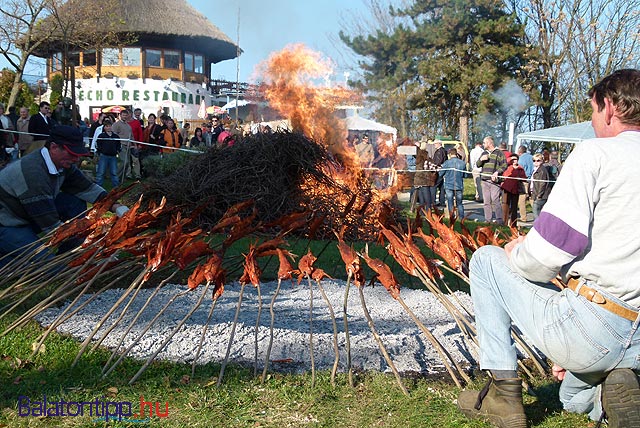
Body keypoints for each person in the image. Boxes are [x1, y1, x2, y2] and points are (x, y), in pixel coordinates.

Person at [457, 69, 640, 428]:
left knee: (486, 260)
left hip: (597, 324)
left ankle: (503, 395)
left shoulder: (596, 154)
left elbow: (547, 255)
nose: (592, 121)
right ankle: (616, 385)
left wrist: (516, 252)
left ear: (610, 108)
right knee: (571, 398)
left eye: (592, 111)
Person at [0, 126, 128, 267]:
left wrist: (117, 206)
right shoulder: (33, 174)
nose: (76, 159)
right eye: (72, 154)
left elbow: (87, 188)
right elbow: (52, 227)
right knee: (49, 268)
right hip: (8, 223)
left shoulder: (62, 164)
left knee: (74, 201)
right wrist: (94, 245)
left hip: (27, 214)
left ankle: (72, 251)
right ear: (54, 147)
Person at [476, 136, 507, 223]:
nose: (483, 144)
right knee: (486, 201)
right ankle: (488, 220)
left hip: (494, 181)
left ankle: (499, 220)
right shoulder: (484, 153)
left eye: (484, 143)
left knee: (495, 200)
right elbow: (478, 164)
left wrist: (497, 172)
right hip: (484, 180)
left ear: (489, 143)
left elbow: (504, 165)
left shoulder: (499, 153)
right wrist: (481, 159)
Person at [500, 154, 527, 227]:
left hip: (516, 189)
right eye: (513, 159)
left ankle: (513, 224)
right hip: (506, 188)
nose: (514, 161)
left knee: (514, 208)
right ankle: (504, 223)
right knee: (505, 206)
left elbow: (524, 178)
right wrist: (510, 159)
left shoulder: (520, 169)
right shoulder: (507, 167)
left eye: (516, 159)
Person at [439, 148, 466, 219]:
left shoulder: (446, 163)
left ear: (450, 154)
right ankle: (461, 217)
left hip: (449, 185)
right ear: (456, 154)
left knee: (450, 202)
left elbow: (440, 174)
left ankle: (452, 216)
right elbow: (465, 175)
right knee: (459, 203)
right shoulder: (462, 163)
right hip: (459, 185)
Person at [94, 120, 121, 188]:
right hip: (103, 156)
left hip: (113, 157)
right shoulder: (101, 136)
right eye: (107, 126)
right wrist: (100, 151)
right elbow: (98, 144)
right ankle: (98, 188)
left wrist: (117, 150)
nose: (109, 127)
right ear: (104, 127)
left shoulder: (116, 136)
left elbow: (118, 145)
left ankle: (116, 188)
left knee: (114, 173)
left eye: (110, 126)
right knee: (101, 172)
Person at [414, 139, 438, 211]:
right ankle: (428, 213)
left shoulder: (418, 160)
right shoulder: (426, 160)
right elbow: (432, 168)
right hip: (424, 180)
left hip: (418, 180)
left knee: (421, 200)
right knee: (428, 200)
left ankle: (421, 213)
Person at [530, 153, 552, 219]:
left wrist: (538, 196)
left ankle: (538, 227)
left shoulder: (542, 170)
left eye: (538, 160)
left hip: (541, 195)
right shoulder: (536, 170)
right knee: (538, 212)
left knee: (536, 212)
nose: (536, 162)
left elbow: (542, 184)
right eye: (534, 160)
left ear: (542, 161)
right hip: (536, 194)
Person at [516, 145, 534, 222]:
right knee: (531, 199)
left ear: (519, 152)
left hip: (524, 180)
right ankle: (539, 215)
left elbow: (520, 170)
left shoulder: (521, 159)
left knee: (522, 199)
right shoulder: (532, 157)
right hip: (532, 180)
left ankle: (523, 217)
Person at [432, 140, 447, 206]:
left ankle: (433, 201)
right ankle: (442, 202)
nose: (434, 145)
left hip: (438, 170)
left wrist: (434, 166)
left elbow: (438, 161)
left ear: (439, 144)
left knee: (434, 186)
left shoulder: (439, 151)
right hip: (443, 170)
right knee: (441, 187)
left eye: (435, 144)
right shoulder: (444, 150)